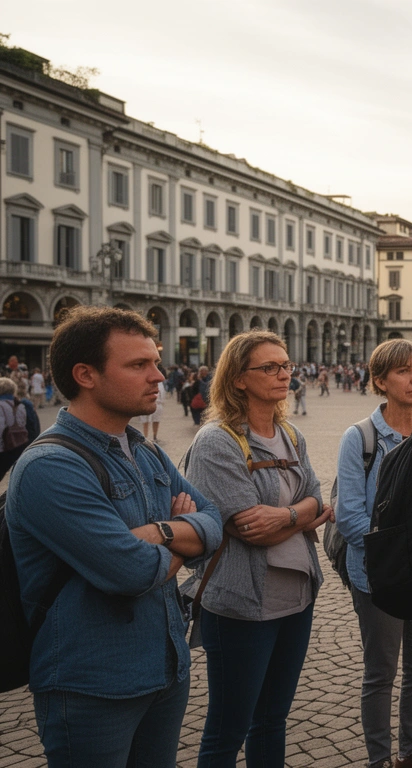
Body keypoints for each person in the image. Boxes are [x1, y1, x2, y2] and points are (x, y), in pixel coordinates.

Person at [7, 306, 222, 768]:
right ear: (85, 374)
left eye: (156, 362)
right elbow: (132, 571)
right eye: (138, 365)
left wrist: (160, 532)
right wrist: (180, 538)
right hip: (93, 685)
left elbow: (213, 521)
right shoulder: (51, 466)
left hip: (166, 667)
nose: (159, 376)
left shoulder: (143, 450)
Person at [185, 331, 333, 768]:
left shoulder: (291, 434)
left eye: (285, 365)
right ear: (238, 379)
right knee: (228, 728)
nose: (283, 374)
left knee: (272, 719)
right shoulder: (217, 441)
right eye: (269, 367)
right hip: (240, 604)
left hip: (297, 597)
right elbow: (251, 528)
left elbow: (316, 499)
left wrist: (285, 516)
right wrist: (302, 513)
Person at [335, 339, 412, 768]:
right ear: (380, 380)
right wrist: (400, 556)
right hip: (378, 576)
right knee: (380, 674)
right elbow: (349, 517)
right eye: (404, 371)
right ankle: (379, 758)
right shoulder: (360, 438)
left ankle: (411, 752)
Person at [138, 375, 166, 443]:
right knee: (149, 421)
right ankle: (148, 437)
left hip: (155, 403)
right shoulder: (158, 382)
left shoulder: (158, 382)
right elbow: (162, 393)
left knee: (152, 421)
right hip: (153, 403)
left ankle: (150, 437)